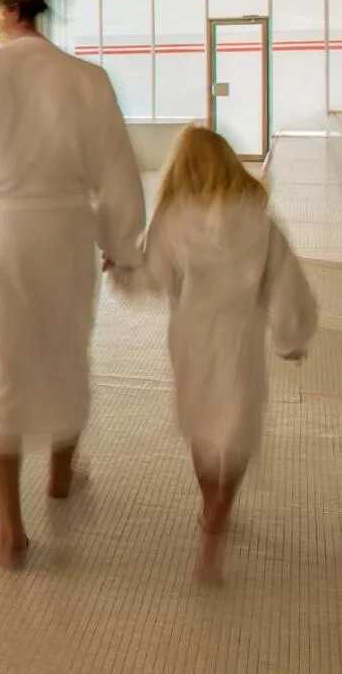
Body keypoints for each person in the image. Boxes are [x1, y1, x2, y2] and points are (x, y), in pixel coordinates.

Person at [0, 0, 145, 568]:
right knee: (65, 348)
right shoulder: (86, 79)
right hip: (61, 229)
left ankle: (9, 530)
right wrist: (121, 244)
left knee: (0, 365)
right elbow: (118, 173)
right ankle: (60, 473)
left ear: (6, 12)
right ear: (44, 10)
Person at [109, 125, 316, 583]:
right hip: (240, 335)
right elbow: (286, 284)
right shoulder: (260, 218)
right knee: (236, 423)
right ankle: (220, 513)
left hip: (191, 335)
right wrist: (290, 336)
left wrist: (121, 272)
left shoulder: (174, 218)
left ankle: (209, 507)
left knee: (202, 423)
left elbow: (151, 278)